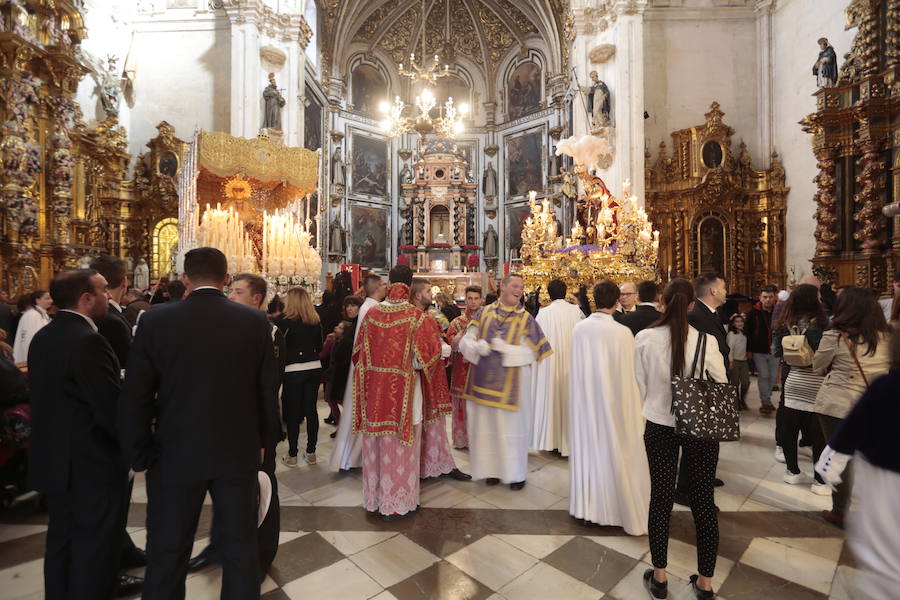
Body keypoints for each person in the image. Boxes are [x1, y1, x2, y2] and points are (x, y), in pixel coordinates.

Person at [119, 248, 279, 599]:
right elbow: (267, 389)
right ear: (225, 279)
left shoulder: (156, 320)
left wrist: (140, 451)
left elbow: (137, 393)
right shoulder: (253, 322)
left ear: (185, 278)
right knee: (239, 549)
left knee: (167, 548)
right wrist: (266, 443)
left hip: (174, 451)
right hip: (236, 451)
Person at [28, 269, 128, 599]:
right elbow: (107, 407)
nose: (108, 297)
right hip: (88, 462)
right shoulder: (88, 341)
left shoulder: (46, 335)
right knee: (92, 547)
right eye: (103, 292)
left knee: (61, 541)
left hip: (54, 457)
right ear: (86, 298)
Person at [634, 279, 727, 600]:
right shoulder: (707, 341)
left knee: (660, 497)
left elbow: (641, 385)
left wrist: (661, 403)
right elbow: (722, 382)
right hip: (699, 427)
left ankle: (659, 577)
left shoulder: (644, 338)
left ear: (662, 301)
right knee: (703, 502)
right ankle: (705, 583)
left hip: (659, 425)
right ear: (690, 305)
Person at [189, 272, 285, 577]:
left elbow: (268, 389)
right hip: (226, 428)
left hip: (257, 429)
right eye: (230, 291)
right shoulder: (228, 328)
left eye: (238, 292)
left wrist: (261, 436)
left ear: (256, 299)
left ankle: (261, 553)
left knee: (262, 489)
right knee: (227, 493)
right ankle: (219, 546)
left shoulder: (270, 333)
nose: (230, 296)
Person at [353, 266, 448, 519]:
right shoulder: (418, 317)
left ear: (389, 282)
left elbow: (358, 355)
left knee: (377, 444)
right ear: (409, 283)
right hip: (406, 394)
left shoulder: (372, 314)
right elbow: (425, 360)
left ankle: (375, 500)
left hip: (374, 394)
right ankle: (398, 503)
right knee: (402, 447)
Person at [815, 330, 900, 599]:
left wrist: (828, 468)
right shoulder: (882, 338)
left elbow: (847, 437)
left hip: (887, 478)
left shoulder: (887, 387)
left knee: (885, 549)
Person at [569, 280, 650, 534]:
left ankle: (587, 509)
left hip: (585, 403)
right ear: (617, 301)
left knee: (588, 452)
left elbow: (575, 370)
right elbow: (630, 375)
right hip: (615, 405)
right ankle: (615, 508)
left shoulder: (579, 329)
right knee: (615, 451)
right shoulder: (622, 333)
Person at [459, 274, 552, 489]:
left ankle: (516, 474)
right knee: (487, 430)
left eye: (522, 286)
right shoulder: (484, 312)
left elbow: (534, 352)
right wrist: (474, 347)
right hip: (482, 383)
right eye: (515, 286)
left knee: (511, 432)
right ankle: (492, 470)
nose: (519, 290)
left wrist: (506, 350)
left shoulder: (526, 318)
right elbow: (467, 339)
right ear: (503, 286)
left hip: (513, 386)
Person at [89, 255, 147, 591]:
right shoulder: (109, 320)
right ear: (124, 281)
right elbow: (126, 367)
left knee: (120, 495)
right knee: (112, 498)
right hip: (114, 417)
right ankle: (111, 565)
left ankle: (122, 548)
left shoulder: (110, 315)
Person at [812, 286, 892, 528]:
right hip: (873, 404)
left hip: (838, 404)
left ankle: (840, 511)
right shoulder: (887, 336)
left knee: (841, 458)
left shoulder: (836, 335)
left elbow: (818, 365)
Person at [675, 273, 728, 505]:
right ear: (713, 291)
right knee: (697, 438)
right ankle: (686, 486)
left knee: (707, 438)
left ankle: (701, 477)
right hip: (701, 385)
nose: (727, 291)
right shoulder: (696, 316)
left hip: (711, 383)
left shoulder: (711, 314)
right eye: (724, 287)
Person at [409, 279, 470, 481]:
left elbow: (440, 337)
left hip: (433, 375)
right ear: (418, 295)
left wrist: (442, 344)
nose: (431, 294)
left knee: (435, 423)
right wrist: (440, 348)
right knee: (423, 421)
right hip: (420, 377)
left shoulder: (429, 315)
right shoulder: (414, 317)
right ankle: (426, 464)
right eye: (427, 291)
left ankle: (439, 462)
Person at [771, 284, 829, 494]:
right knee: (818, 432)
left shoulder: (784, 323)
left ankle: (792, 472)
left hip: (794, 379)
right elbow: (828, 354)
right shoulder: (823, 324)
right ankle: (820, 481)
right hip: (817, 380)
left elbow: (776, 352)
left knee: (790, 428)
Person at [329, 274, 384, 471]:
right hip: (367, 368)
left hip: (361, 365)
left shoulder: (367, 307)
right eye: (383, 284)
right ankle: (354, 457)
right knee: (362, 413)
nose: (386, 287)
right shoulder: (373, 309)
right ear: (378, 286)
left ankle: (353, 456)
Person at [532, 279, 583, 456]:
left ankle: (552, 441)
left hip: (550, 365)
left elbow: (536, 342)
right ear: (565, 291)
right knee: (569, 399)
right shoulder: (576, 311)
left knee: (552, 399)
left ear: (549, 293)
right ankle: (569, 442)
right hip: (571, 364)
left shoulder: (543, 313)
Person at [274, 287, 324, 466]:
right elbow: (319, 346)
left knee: (293, 412)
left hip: (293, 369)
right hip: (314, 367)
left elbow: (279, 349)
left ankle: (293, 455)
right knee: (311, 411)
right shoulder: (315, 320)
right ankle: (311, 453)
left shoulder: (283, 322)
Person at [446, 286, 483, 449]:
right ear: (465, 300)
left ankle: (479, 440)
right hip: (461, 371)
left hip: (481, 373)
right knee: (461, 407)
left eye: (476, 298)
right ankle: (462, 439)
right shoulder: (457, 322)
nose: (473, 302)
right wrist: (462, 334)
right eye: (470, 298)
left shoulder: (487, 320)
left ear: (481, 300)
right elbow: (450, 345)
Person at [326, 296, 364, 438]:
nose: (349, 308)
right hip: (344, 373)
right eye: (347, 305)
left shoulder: (357, 325)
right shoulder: (352, 324)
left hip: (350, 374)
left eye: (353, 305)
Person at [746, 284, 779, 416]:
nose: (768, 300)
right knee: (764, 375)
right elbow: (748, 332)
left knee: (772, 377)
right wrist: (748, 349)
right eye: (765, 297)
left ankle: (767, 398)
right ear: (760, 297)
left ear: (775, 297)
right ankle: (765, 402)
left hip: (775, 350)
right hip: (759, 350)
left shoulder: (779, 311)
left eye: (770, 297)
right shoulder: (753, 313)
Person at [12, 289, 51, 364]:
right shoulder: (33, 315)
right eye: (47, 298)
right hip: (31, 358)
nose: (51, 301)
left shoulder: (41, 314)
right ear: (37, 300)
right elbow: (29, 339)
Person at [726, 314, 750, 411]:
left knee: (745, 382)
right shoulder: (732, 334)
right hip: (734, 361)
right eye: (737, 321)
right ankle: (736, 402)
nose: (740, 323)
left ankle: (742, 399)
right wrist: (730, 361)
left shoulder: (744, 333)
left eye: (741, 321)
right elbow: (730, 349)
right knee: (735, 383)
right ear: (733, 323)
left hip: (744, 361)